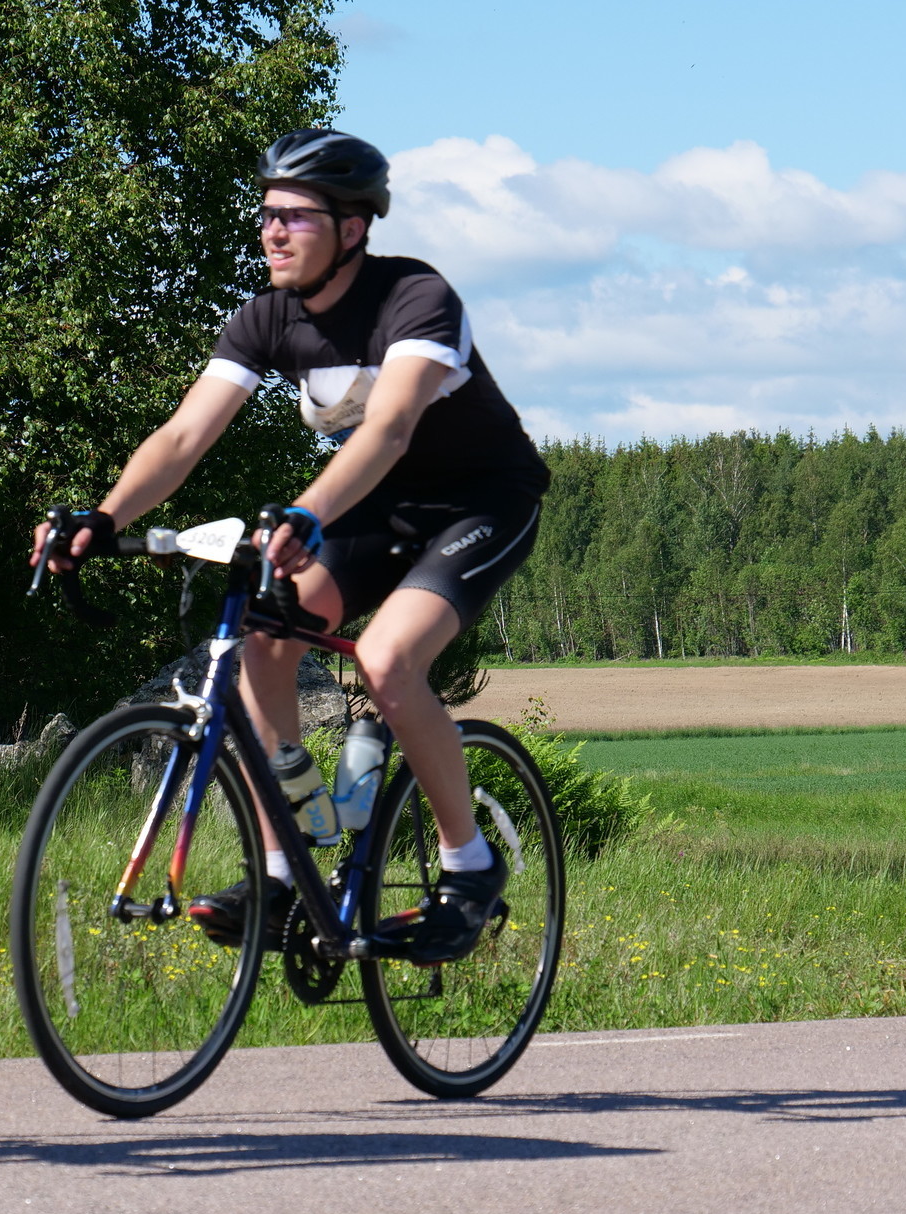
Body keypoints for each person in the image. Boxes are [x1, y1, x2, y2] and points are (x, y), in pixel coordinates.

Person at [35, 128, 548, 964]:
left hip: (479, 503)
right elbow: (183, 437)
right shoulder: (268, 318)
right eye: (267, 214)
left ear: (352, 228)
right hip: (370, 509)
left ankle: (469, 865)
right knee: (262, 644)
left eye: (295, 217)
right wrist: (104, 516)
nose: (272, 232)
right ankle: (284, 869)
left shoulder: (415, 298)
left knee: (386, 660)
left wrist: (304, 513)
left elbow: (389, 428)